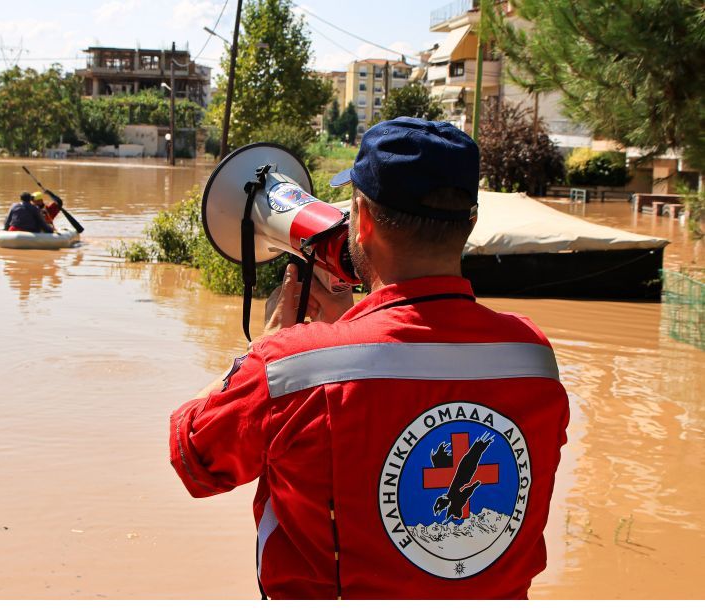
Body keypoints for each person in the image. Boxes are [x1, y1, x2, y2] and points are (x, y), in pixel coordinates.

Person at [168, 117, 570, 599]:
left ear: (362, 218)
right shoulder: (532, 358)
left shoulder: (291, 368)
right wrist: (350, 326)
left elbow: (193, 455)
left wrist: (267, 348)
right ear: (471, 222)